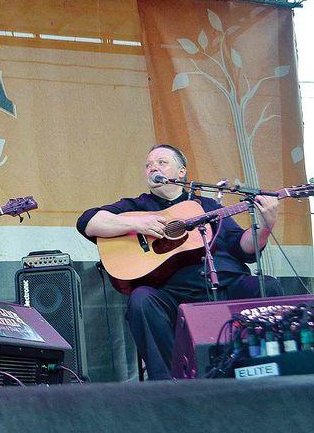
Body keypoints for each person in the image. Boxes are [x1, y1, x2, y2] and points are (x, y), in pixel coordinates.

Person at [76, 144, 284, 380]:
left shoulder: (207, 206)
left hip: (225, 283)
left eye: (161, 162)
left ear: (182, 172)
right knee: (141, 300)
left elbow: (242, 248)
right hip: (171, 294)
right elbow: (88, 221)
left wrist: (267, 226)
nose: (153, 167)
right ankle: (170, 384)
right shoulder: (138, 206)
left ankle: (266, 371)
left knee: (267, 286)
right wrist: (136, 224)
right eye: (148, 165)